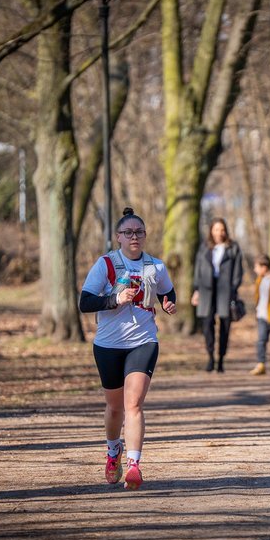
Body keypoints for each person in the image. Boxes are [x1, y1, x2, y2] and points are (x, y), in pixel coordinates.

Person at [79, 207, 177, 490]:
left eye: (139, 232)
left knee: (133, 404)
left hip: (143, 341)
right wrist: (115, 299)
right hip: (108, 344)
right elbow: (85, 302)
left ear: (145, 236)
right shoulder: (106, 265)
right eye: (128, 232)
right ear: (118, 237)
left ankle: (134, 465)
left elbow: (167, 292)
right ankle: (113, 451)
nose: (134, 236)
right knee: (114, 407)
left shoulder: (155, 266)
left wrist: (168, 304)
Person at [192, 217, 243, 373]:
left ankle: (221, 359)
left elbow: (238, 271)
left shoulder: (233, 248)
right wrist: (196, 290)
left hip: (226, 290)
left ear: (225, 231)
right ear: (211, 231)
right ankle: (210, 357)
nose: (219, 233)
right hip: (206, 290)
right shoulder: (204, 247)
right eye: (216, 229)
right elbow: (198, 269)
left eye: (222, 230)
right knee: (207, 325)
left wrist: (234, 289)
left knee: (225, 326)